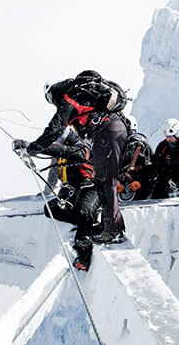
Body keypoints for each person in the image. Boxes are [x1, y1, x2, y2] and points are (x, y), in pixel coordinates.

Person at [18, 69, 130, 245]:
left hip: (107, 131)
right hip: (113, 128)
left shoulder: (69, 98)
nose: (55, 106)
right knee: (104, 182)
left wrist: (33, 148)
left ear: (52, 95)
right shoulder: (83, 96)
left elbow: (54, 130)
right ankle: (110, 227)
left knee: (105, 182)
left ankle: (113, 231)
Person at [15, 124, 100, 271]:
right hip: (72, 191)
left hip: (92, 188)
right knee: (50, 208)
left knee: (83, 211)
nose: (55, 143)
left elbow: (60, 150)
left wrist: (30, 147)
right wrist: (47, 192)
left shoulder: (82, 149)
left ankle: (84, 251)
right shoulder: (59, 157)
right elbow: (53, 174)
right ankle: (88, 221)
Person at [118, 116, 154, 202]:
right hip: (118, 191)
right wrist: (115, 183)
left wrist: (140, 183)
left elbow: (152, 171)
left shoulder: (142, 147)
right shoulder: (115, 146)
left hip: (140, 193)